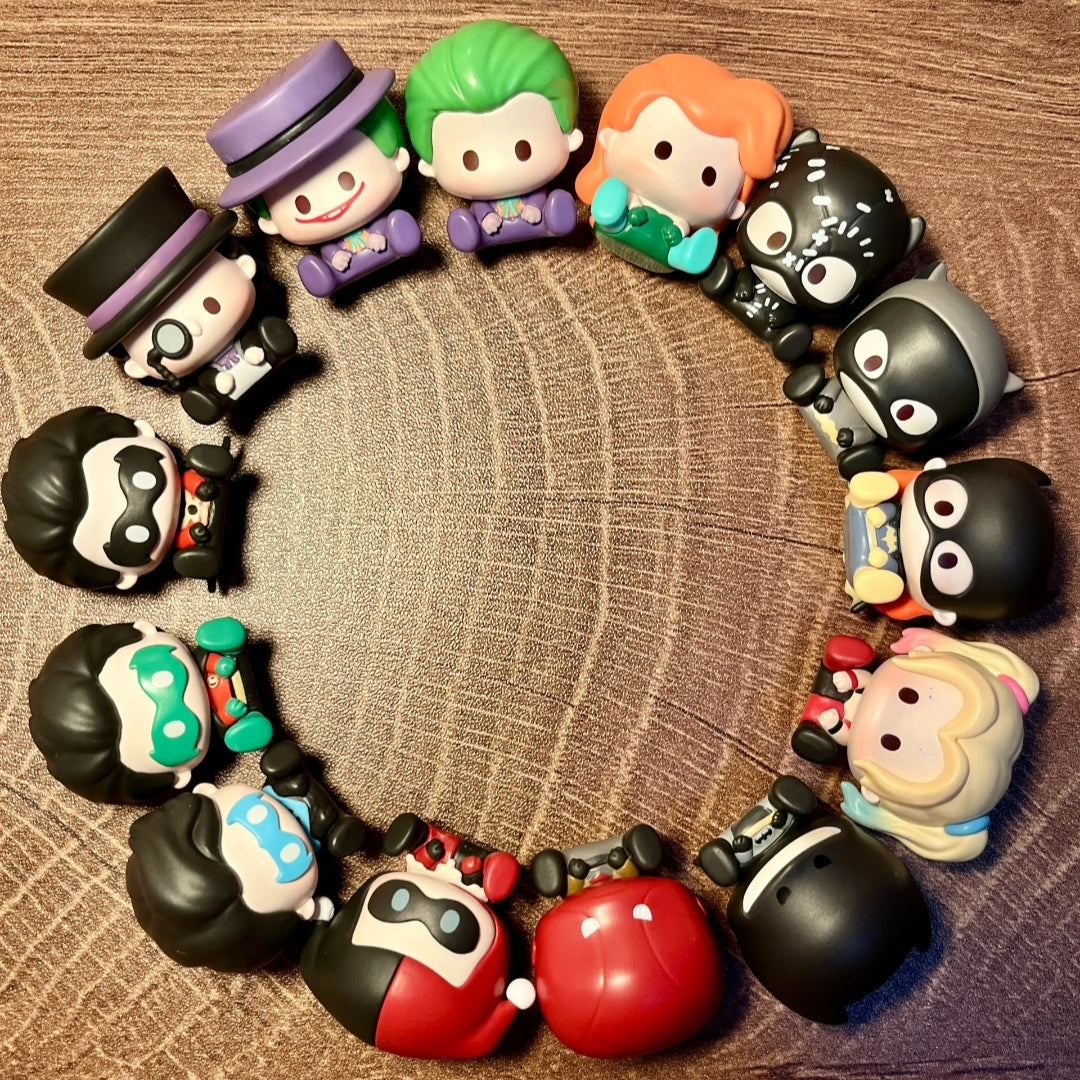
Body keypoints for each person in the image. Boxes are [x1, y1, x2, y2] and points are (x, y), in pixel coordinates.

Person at [575, 54, 792, 274]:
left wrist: (678, 230)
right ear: (611, 136)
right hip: (621, 217)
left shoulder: (692, 219)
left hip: (667, 247)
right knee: (612, 205)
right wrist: (629, 207)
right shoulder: (625, 189)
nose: (674, 181)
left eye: (709, 176)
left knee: (677, 251)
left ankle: (687, 255)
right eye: (663, 150)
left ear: (734, 205)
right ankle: (608, 211)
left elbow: (681, 226)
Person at [405, 20, 582, 253]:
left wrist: (538, 209)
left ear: (569, 135)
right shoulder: (481, 202)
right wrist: (486, 218)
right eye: (470, 160)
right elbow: (482, 210)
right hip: (487, 228)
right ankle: (468, 232)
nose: (499, 168)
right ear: (430, 166)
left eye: (523, 148)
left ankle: (557, 216)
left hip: (539, 216)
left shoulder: (538, 194)